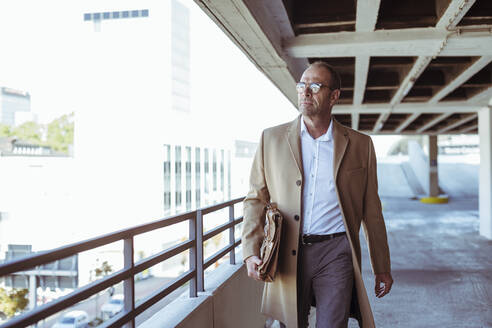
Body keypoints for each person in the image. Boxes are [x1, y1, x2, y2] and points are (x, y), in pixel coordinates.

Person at [242, 61, 393, 328]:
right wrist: (250, 250)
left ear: (334, 96)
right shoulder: (271, 139)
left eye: (315, 86)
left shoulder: (360, 145)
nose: (305, 92)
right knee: (292, 323)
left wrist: (382, 266)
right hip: (286, 250)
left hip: (337, 252)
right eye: (302, 85)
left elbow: (371, 210)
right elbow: (256, 198)